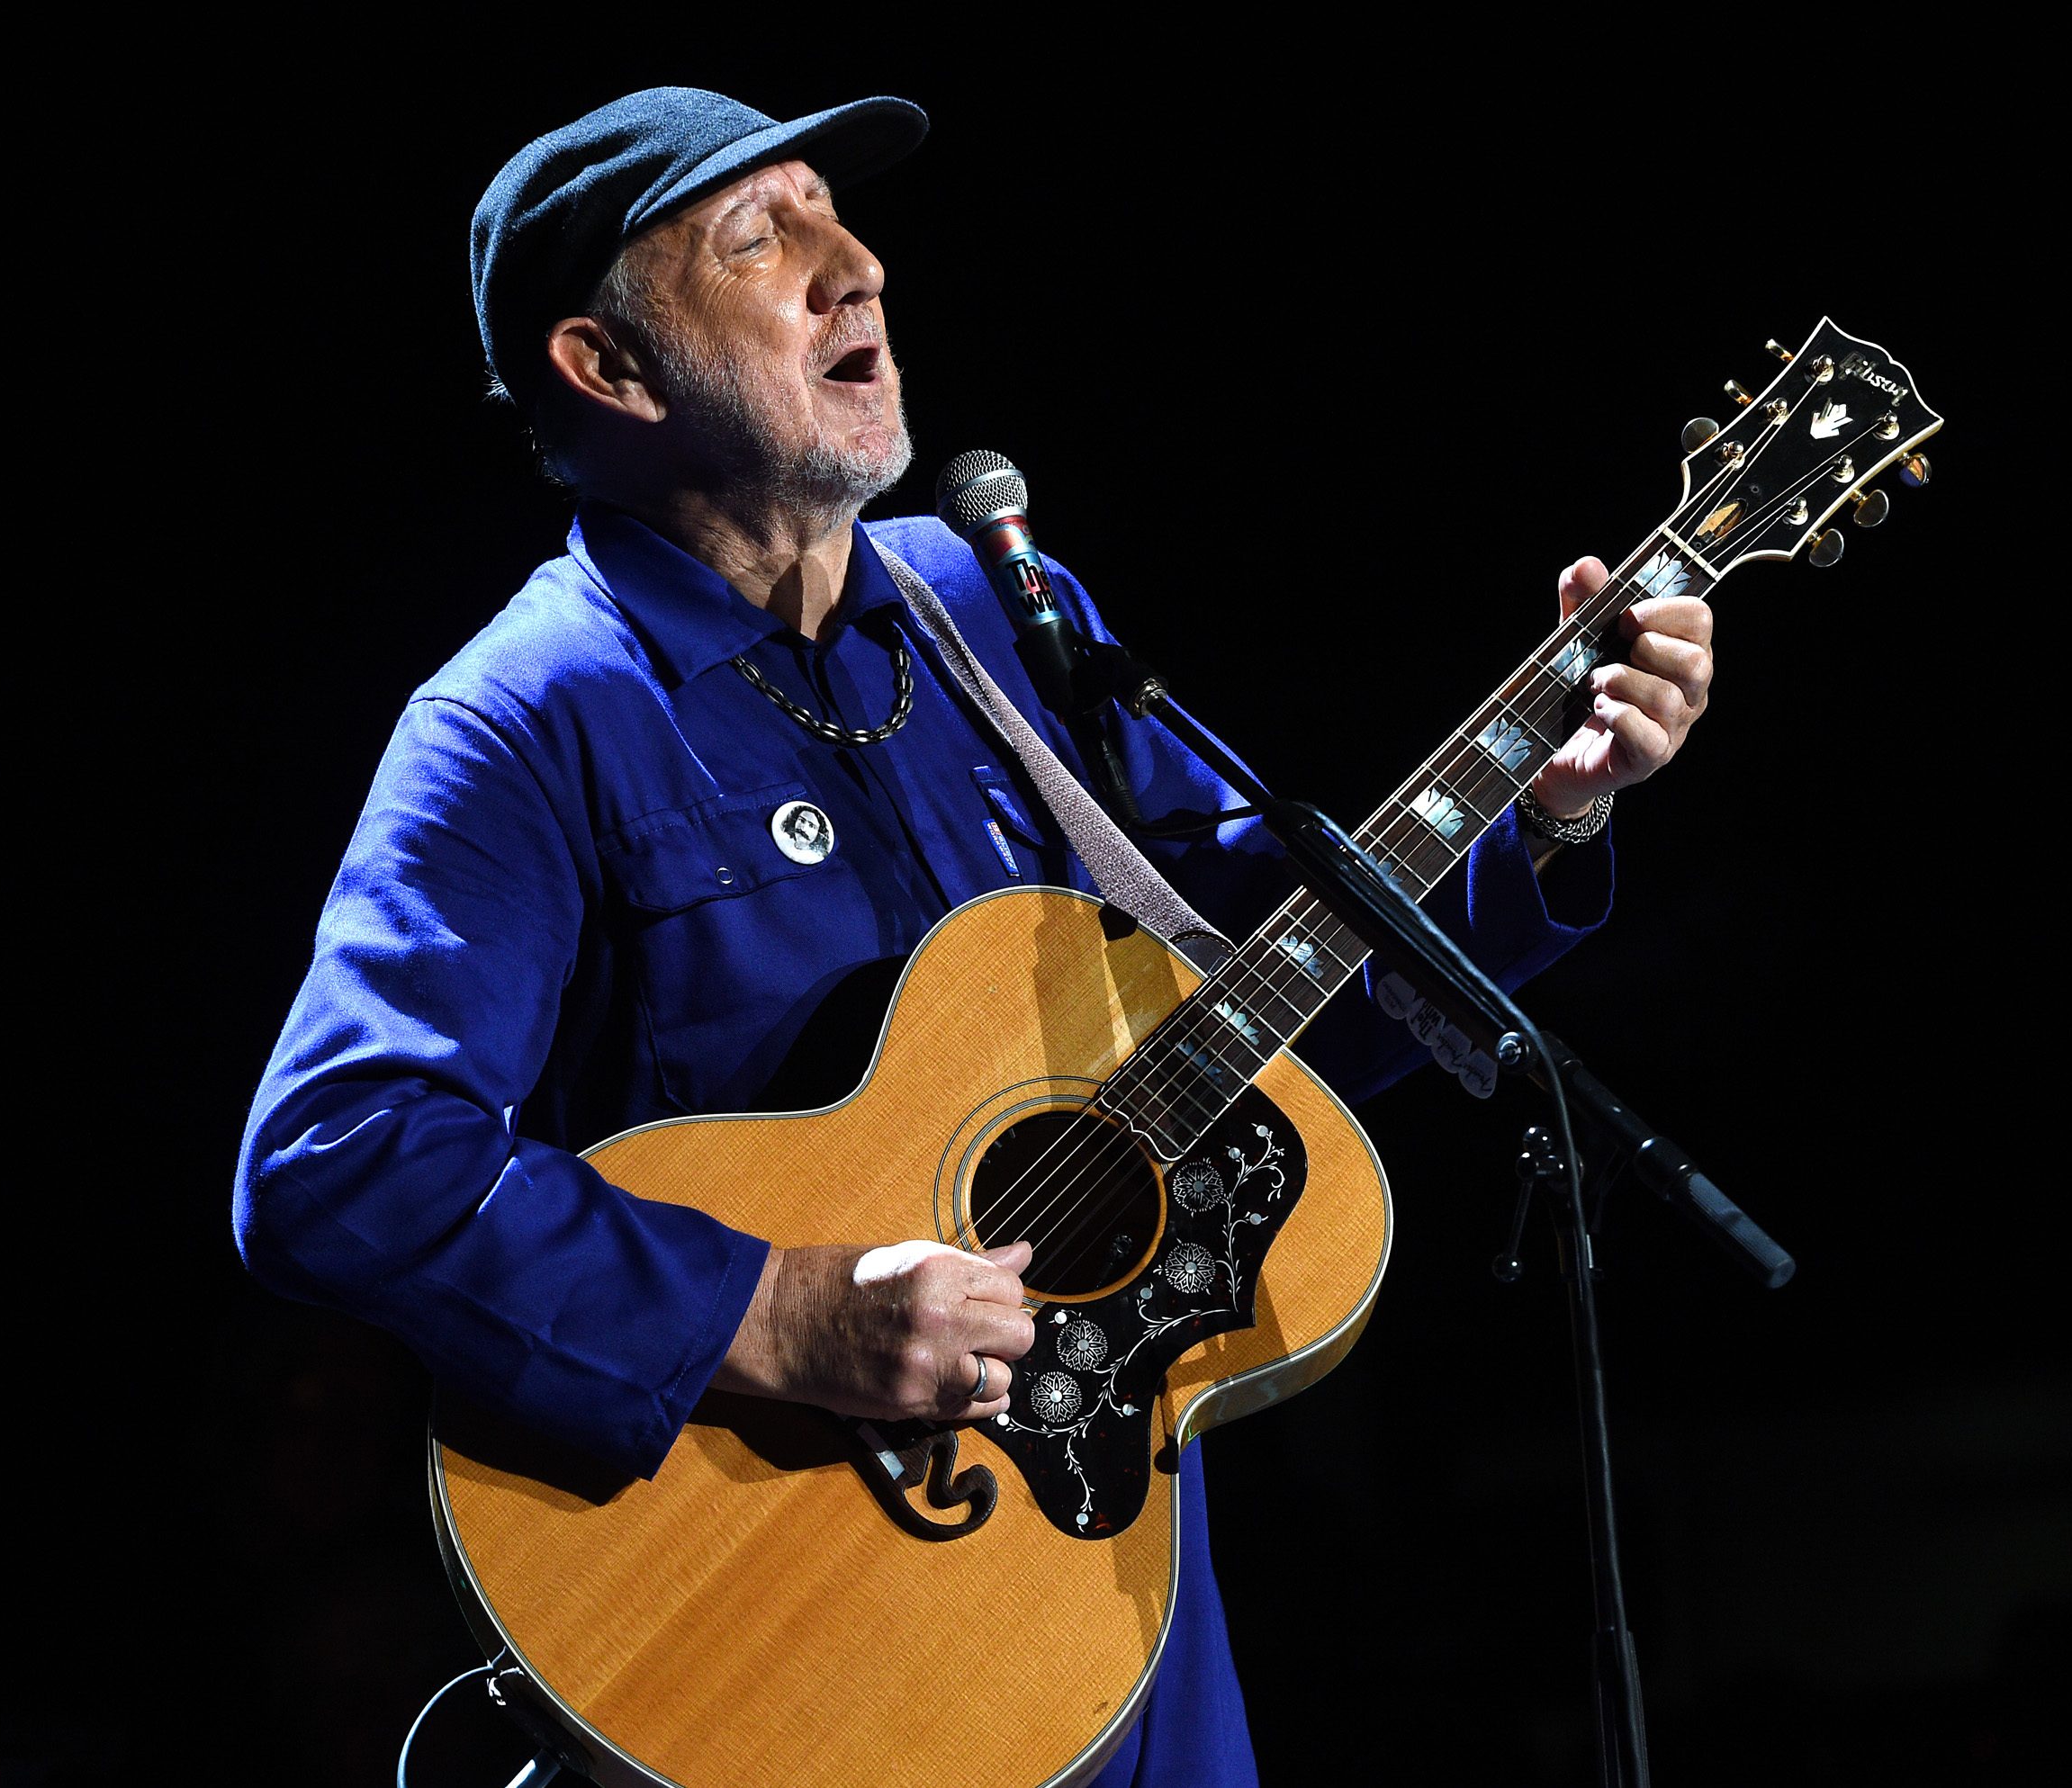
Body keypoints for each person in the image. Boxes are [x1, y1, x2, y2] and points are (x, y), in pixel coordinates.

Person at [233, 86, 1716, 1785]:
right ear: (610, 367)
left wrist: (1547, 810)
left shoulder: (999, 612)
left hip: (1111, 1594)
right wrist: (785, 1314)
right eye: (762, 237)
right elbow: (342, 1158)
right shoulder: (524, 715)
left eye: (838, 220)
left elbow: (1259, 1014)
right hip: (798, 1629)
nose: (854, 266)